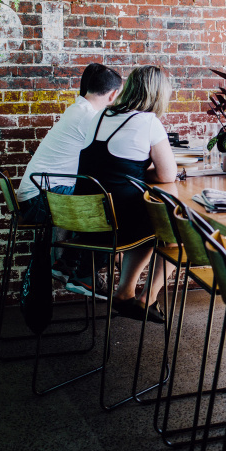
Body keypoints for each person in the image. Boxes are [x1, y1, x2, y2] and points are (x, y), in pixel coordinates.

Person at [71, 65, 177, 322]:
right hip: (116, 221)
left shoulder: (100, 115)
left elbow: (105, 166)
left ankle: (125, 292)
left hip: (85, 219)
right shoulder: (148, 121)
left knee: (145, 222)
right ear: (158, 94)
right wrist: (142, 175)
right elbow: (167, 175)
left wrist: (134, 174)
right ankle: (147, 297)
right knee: (174, 232)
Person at [17, 63, 122, 224]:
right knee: (111, 202)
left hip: (35, 195)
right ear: (113, 94)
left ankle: (70, 249)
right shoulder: (89, 116)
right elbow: (113, 155)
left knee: (102, 196)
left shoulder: (78, 108)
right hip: (40, 199)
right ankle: (91, 248)